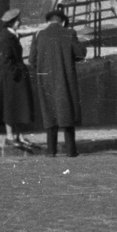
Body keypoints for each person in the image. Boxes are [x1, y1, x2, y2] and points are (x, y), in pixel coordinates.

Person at [30, 9, 86, 157]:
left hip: (46, 80)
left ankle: (51, 150)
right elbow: (80, 54)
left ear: (48, 21)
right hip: (65, 78)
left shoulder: (38, 35)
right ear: (62, 21)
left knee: (50, 113)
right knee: (67, 111)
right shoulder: (69, 33)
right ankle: (71, 150)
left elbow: (32, 60)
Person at [0, 9, 35, 152]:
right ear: (11, 23)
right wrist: (16, 73)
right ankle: (10, 136)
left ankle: (19, 136)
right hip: (11, 79)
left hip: (16, 77)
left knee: (19, 107)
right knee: (10, 107)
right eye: (17, 20)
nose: (20, 22)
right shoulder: (6, 37)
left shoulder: (12, 35)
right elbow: (5, 60)